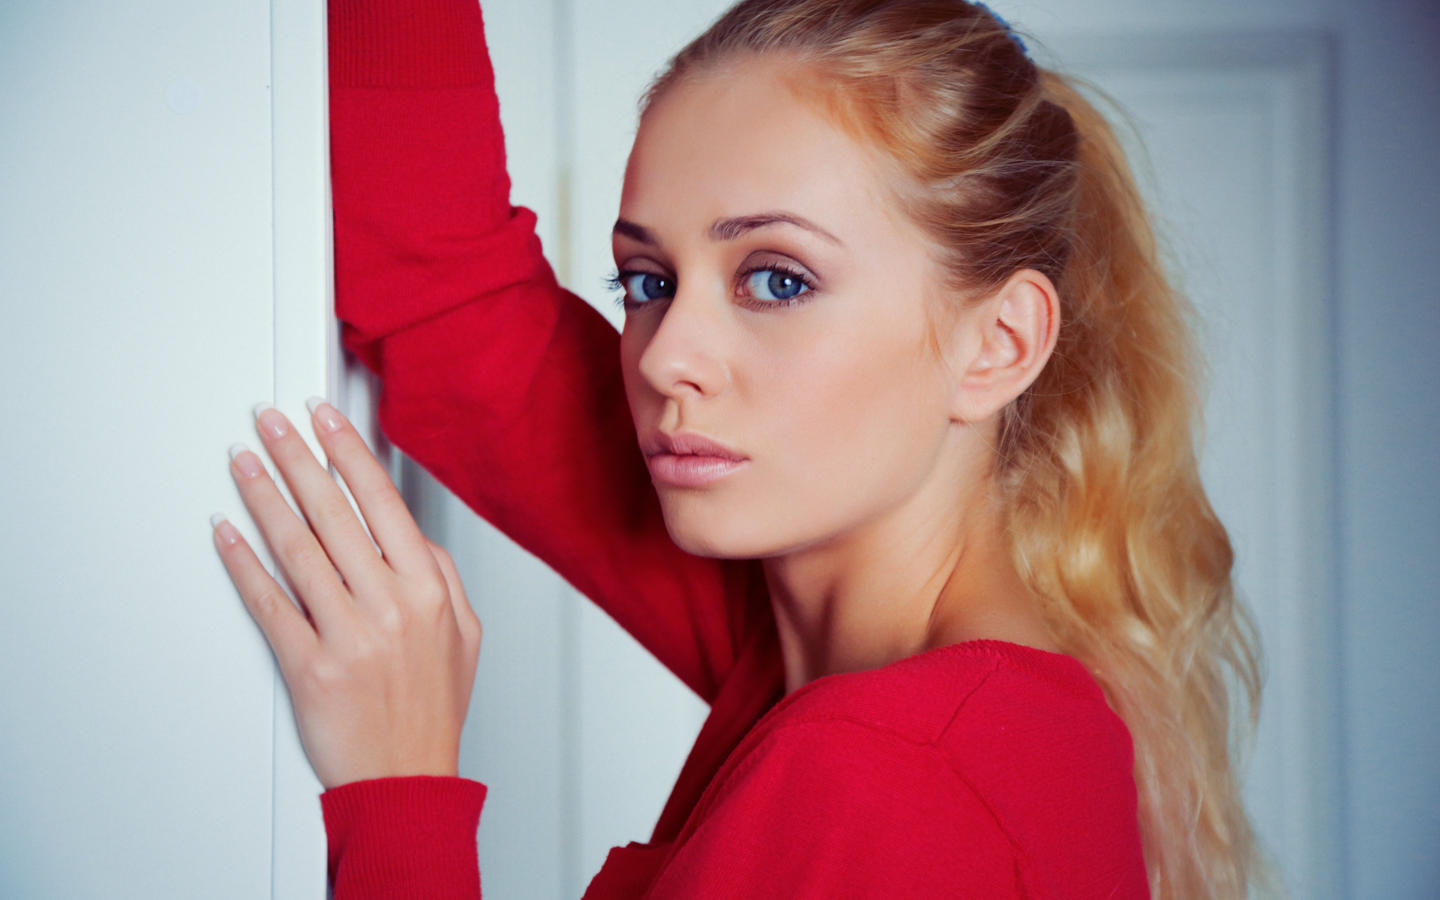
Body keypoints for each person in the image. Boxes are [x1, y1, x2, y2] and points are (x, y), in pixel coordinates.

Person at [211, 0, 1266, 896]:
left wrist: (399, 792)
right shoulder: (833, 635)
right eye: (647, 281)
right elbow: (443, 289)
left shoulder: (898, 771)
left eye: (777, 279)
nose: (667, 357)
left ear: (998, 344)